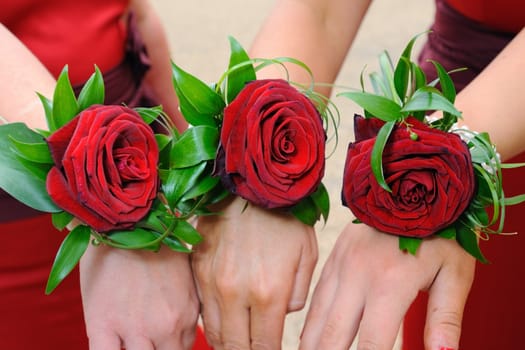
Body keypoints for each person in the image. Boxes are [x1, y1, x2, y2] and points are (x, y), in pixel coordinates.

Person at [193, 0, 525, 349]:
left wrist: (432, 161)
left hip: (459, 155)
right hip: (446, 111)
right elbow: (322, 11)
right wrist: (249, 169)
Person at [0, 0, 211, 349]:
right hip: (20, 222)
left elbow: (139, 15)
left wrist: (198, 165)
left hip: (134, 154)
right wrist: (123, 226)